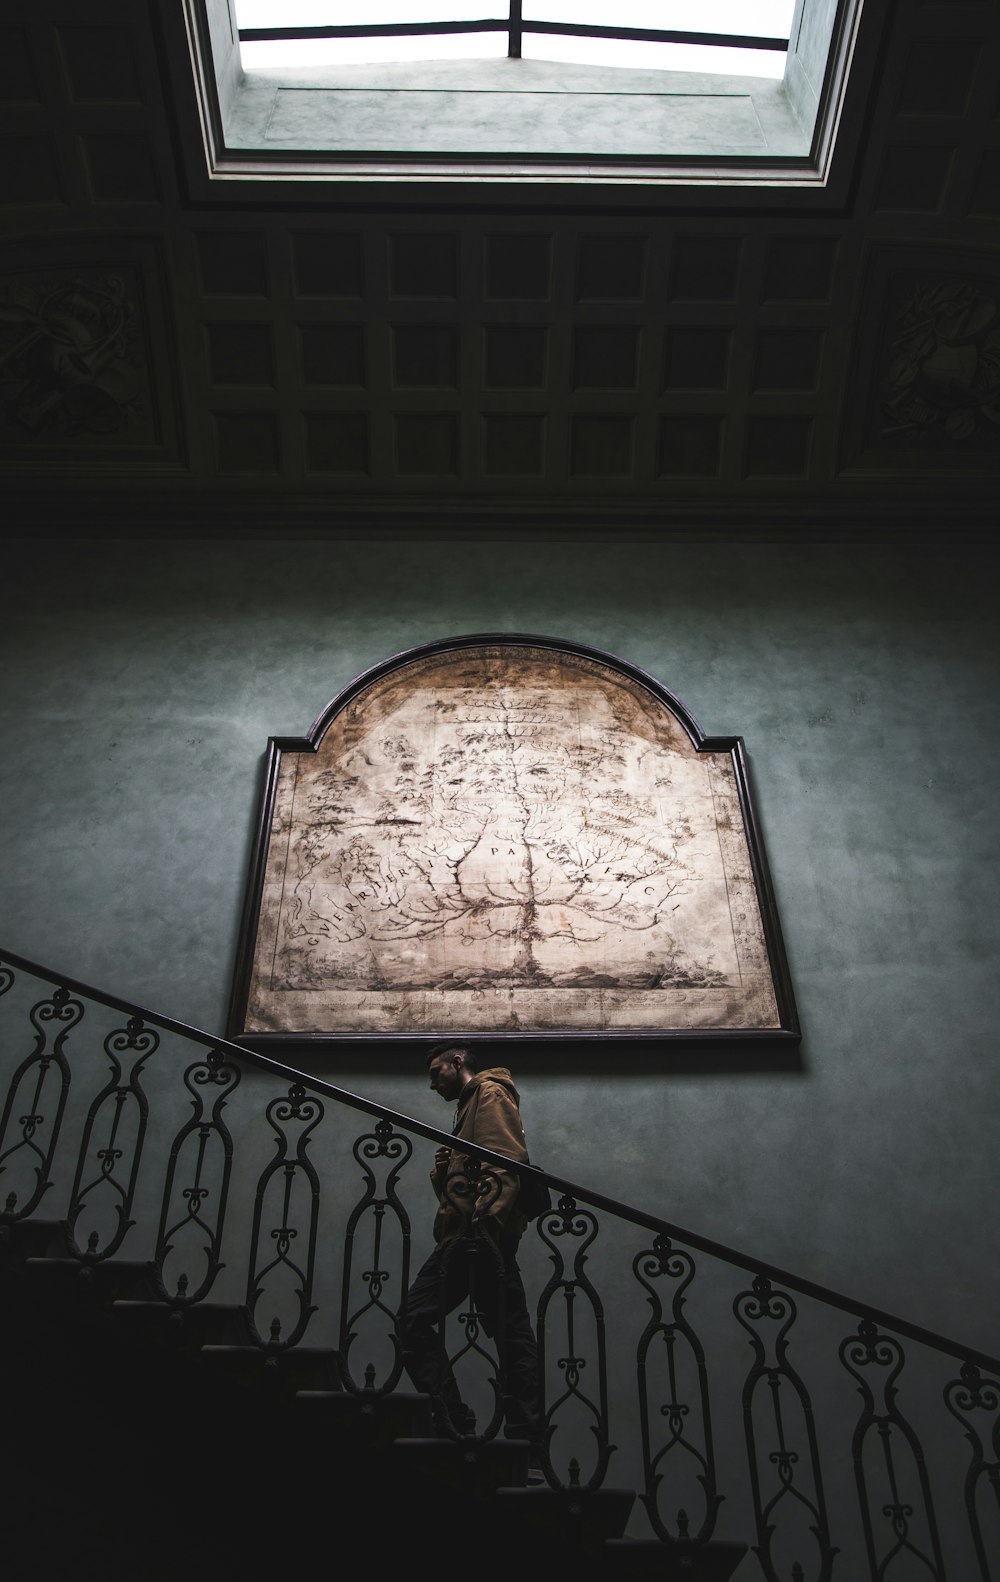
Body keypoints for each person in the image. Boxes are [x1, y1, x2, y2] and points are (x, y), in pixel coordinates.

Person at [397, 1042, 542, 1459]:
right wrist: (444, 1170)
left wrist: (483, 1227)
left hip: (474, 1236)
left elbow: (504, 1163)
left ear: (457, 1062)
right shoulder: (466, 1107)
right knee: (512, 1335)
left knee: (413, 1323)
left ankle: (455, 1421)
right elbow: (469, 1177)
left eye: (435, 1072)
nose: (432, 1083)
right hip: (475, 1234)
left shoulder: (490, 1094)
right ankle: (524, 1437)